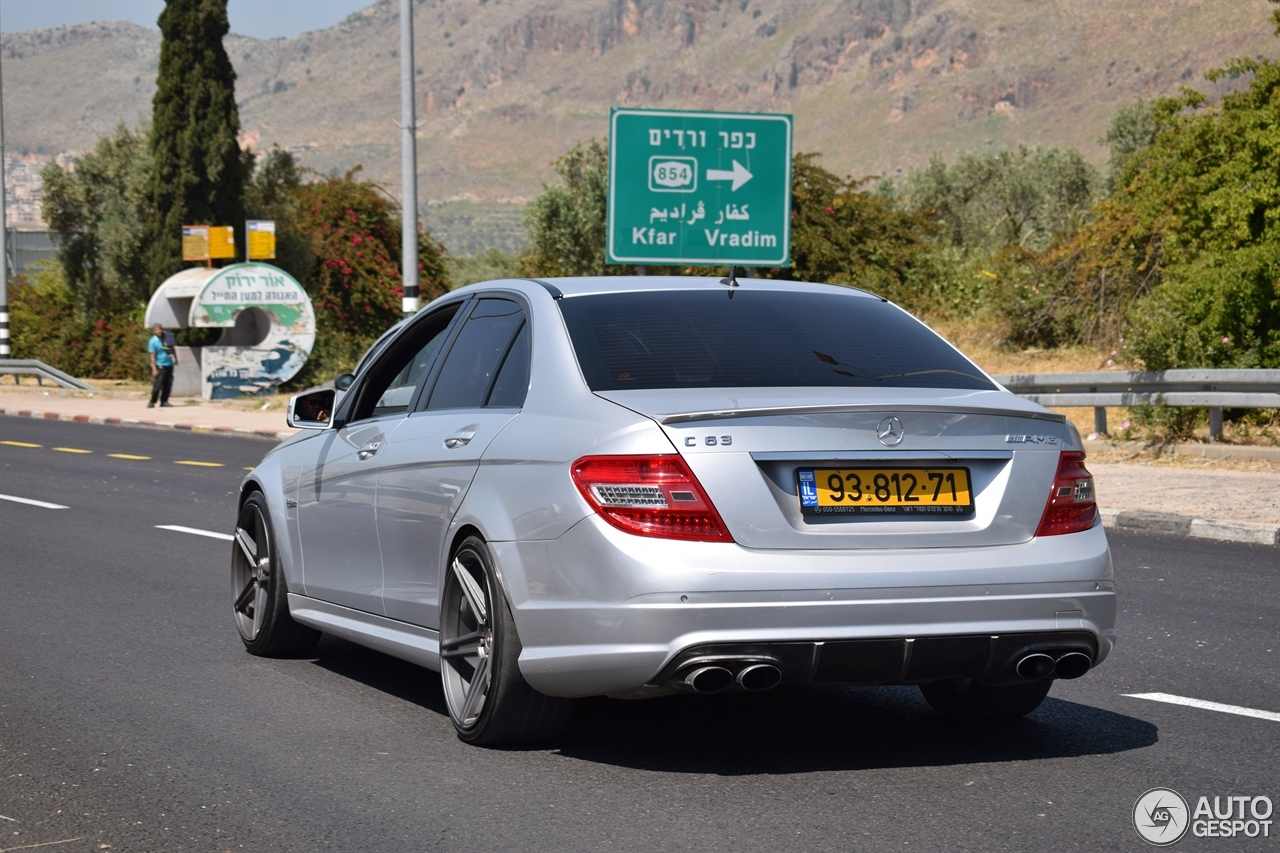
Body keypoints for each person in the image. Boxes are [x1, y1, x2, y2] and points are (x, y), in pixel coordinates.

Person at [147, 323, 176, 408]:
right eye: (156, 330)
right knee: (157, 385)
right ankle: (152, 401)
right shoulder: (153, 341)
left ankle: (164, 401)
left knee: (168, 384)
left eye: (160, 329)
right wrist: (154, 369)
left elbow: (172, 348)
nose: (159, 331)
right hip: (160, 365)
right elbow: (152, 356)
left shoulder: (167, 338)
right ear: (154, 331)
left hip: (169, 364)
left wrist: (175, 359)